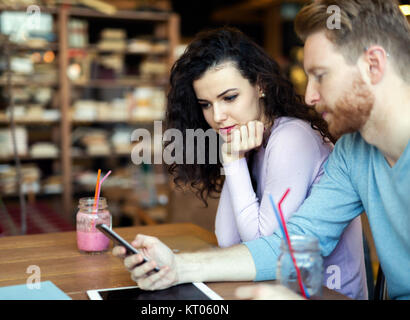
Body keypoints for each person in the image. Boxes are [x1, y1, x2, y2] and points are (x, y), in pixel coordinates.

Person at [114, 0, 410, 300]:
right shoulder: (353, 153)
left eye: (321, 75)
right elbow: (287, 245)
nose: (309, 96)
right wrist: (177, 266)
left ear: (373, 65)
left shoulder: (298, 138)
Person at [162, 26, 366, 299]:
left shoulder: (292, 137)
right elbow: (228, 241)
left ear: (260, 85)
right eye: (206, 104)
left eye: (229, 97)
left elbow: (263, 248)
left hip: (327, 294)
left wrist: (233, 162)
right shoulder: (250, 142)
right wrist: (235, 158)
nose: (218, 116)